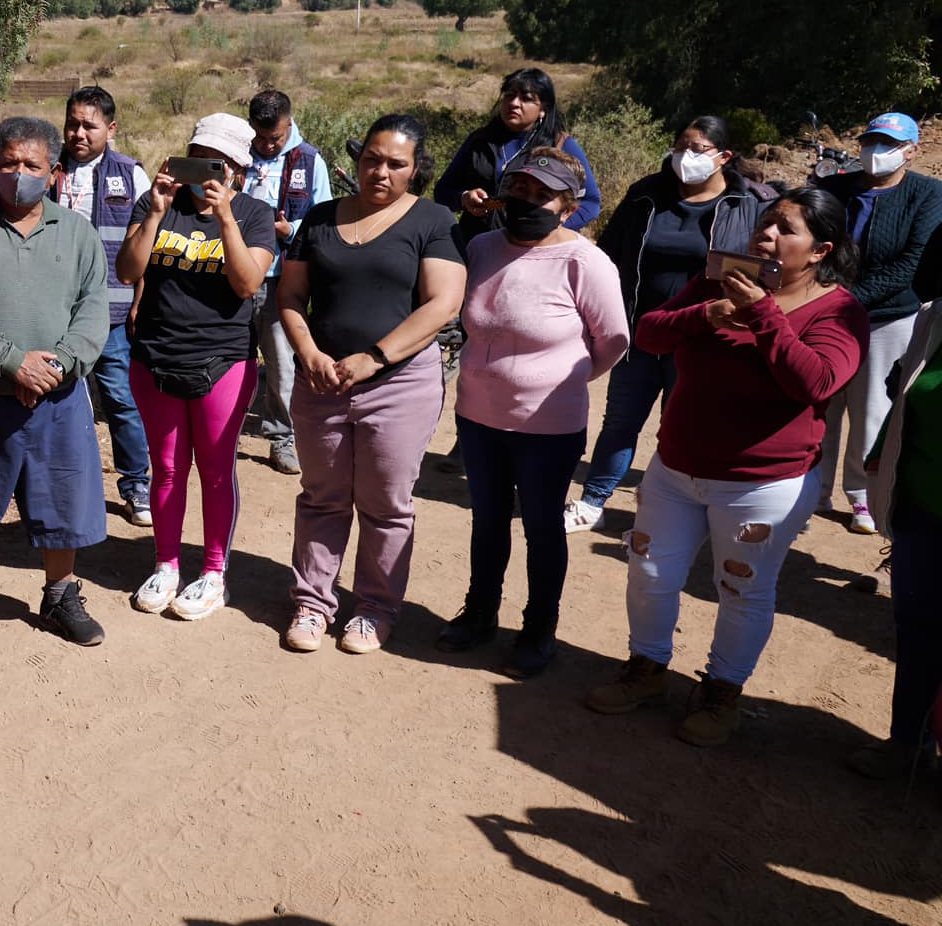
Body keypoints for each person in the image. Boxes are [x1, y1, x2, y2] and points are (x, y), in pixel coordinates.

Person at [585, 188, 867, 747]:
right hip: (677, 465)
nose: (767, 234)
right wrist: (708, 312)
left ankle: (722, 692)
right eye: (766, 222)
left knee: (740, 589)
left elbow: (814, 382)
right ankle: (646, 669)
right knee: (649, 571)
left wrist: (761, 313)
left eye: (786, 228)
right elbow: (650, 334)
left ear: (819, 250)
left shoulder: (839, 311)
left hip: (764, 484)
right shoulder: (718, 281)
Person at [436, 149, 629, 677]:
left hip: (549, 425)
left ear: (567, 206)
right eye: (517, 190)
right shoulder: (480, 246)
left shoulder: (585, 261)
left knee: (542, 528)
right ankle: (479, 614)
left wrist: (565, 380)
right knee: (488, 522)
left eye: (541, 195)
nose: (526, 202)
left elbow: (612, 339)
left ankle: (539, 628)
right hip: (478, 414)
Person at [278, 115, 465, 654]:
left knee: (385, 503)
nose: (379, 172)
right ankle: (312, 603)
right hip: (322, 381)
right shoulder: (317, 218)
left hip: (399, 384)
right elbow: (290, 298)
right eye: (371, 160)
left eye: (395, 164)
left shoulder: (433, 220)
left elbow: (444, 303)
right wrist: (308, 352)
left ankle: (375, 608)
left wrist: (375, 357)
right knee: (322, 498)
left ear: (415, 169)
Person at [0, 116, 111, 653]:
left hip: (57, 397)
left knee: (63, 500)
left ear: (54, 173)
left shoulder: (78, 232)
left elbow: (92, 309)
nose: (19, 174)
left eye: (32, 165)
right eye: (8, 163)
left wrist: (56, 366)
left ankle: (60, 595)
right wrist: (12, 363)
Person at [565, 117, 772, 532]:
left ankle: (660, 516)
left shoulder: (746, 205)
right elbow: (609, 255)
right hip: (640, 331)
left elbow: (762, 272)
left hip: (701, 339)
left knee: (680, 429)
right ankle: (592, 500)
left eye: (697, 149)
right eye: (681, 146)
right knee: (621, 422)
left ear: (724, 157)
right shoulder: (645, 195)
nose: (685, 156)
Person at [116, 112, 276, 621]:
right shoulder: (157, 203)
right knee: (165, 469)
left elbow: (247, 284)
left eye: (219, 164)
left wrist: (225, 217)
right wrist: (157, 211)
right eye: (198, 157)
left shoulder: (253, 213)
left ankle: (212, 573)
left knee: (214, 470)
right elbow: (126, 271)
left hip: (222, 361)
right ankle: (166, 564)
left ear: (238, 172)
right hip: (156, 357)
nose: (206, 171)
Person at [815, 112, 942, 535]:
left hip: (887, 318)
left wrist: (845, 299)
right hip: (825, 314)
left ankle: (862, 498)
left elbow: (911, 264)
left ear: (911, 151)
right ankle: (809, 492)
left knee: (871, 409)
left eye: (887, 144)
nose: (875, 151)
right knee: (819, 404)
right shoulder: (831, 189)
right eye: (871, 140)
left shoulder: (927, 195)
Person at [848, 294, 942, 778]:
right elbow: (906, 393)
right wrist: (882, 454)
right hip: (922, 508)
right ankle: (907, 743)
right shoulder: (934, 317)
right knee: (918, 631)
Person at [51, 85, 154, 525]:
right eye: (72, 123)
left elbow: (150, 245)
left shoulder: (132, 175)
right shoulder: (46, 169)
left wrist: (139, 302)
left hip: (110, 316)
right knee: (58, 401)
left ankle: (136, 487)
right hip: (54, 313)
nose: (77, 133)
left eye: (88, 125)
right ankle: (60, 485)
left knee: (121, 402)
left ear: (111, 129)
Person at [241, 88, 332, 475]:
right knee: (233, 359)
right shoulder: (237, 156)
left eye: (273, 137)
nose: (265, 144)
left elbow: (322, 219)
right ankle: (223, 429)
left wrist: (289, 228)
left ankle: (282, 438)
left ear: (290, 123)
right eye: (259, 136)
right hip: (234, 275)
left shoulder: (310, 162)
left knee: (281, 363)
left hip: (282, 279)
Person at [433, 67, 602, 257]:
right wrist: (463, 198)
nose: (514, 103)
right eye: (509, 95)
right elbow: (442, 191)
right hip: (475, 248)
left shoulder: (561, 145)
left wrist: (548, 229)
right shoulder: (480, 141)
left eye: (526, 99)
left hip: (534, 253)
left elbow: (591, 203)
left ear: (543, 109)